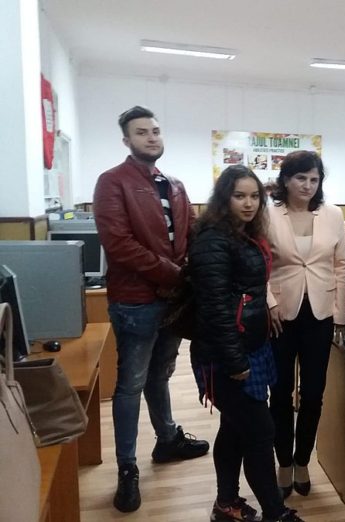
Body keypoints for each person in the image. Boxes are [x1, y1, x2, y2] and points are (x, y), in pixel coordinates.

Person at [93, 105, 209, 513]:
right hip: (135, 301)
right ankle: (127, 468)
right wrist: (174, 274)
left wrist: (192, 270)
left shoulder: (174, 185)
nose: (151, 137)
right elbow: (119, 244)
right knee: (130, 384)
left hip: (172, 301)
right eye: (141, 132)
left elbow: (191, 234)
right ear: (127, 140)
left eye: (155, 131)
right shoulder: (112, 182)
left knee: (161, 375)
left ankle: (168, 439)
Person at [188, 165, 304, 522]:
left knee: (235, 429)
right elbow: (215, 308)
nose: (249, 203)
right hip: (226, 355)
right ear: (224, 198)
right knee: (259, 432)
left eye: (255, 196)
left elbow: (247, 294)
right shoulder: (212, 239)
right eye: (239, 196)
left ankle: (226, 504)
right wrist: (235, 361)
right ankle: (275, 512)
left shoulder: (244, 233)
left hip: (250, 345)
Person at [266, 151, 345, 498]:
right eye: (301, 178)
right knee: (280, 393)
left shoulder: (332, 214)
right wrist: (268, 302)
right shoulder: (267, 214)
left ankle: (303, 460)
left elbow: (342, 265)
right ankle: (284, 462)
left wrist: (340, 314)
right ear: (286, 180)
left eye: (314, 179)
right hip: (279, 315)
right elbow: (259, 263)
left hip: (320, 314)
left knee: (314, 393)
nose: (307, 185)